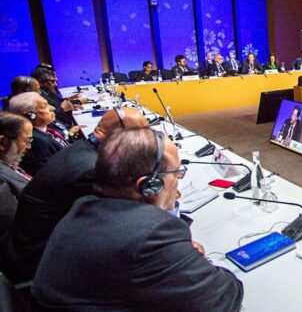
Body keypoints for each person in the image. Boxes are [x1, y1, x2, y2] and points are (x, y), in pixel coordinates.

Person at [31, 128, 244, 311]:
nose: (179, 181)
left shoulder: (84, 206)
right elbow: (223, 298)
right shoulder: (151, 234)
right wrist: (185, 256)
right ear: (150, 185)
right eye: (177, 173)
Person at [1, 107, 148, 283]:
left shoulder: (82, 148)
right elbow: (112, 227)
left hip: (31, 246)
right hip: (41, 262)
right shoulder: (91, 170)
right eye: (143, 135)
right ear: (122, 135)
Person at [9, 93, 77, 176]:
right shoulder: (35, 142)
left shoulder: (45, 129)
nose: (53, 108)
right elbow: (52, 175)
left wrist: (71, 134)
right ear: (30, 116)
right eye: (44, 107)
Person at [0, 112, 33, 241]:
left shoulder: (8, 164)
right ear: (3, 142)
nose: (29, 147)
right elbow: (14, 230)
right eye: (26, 141)